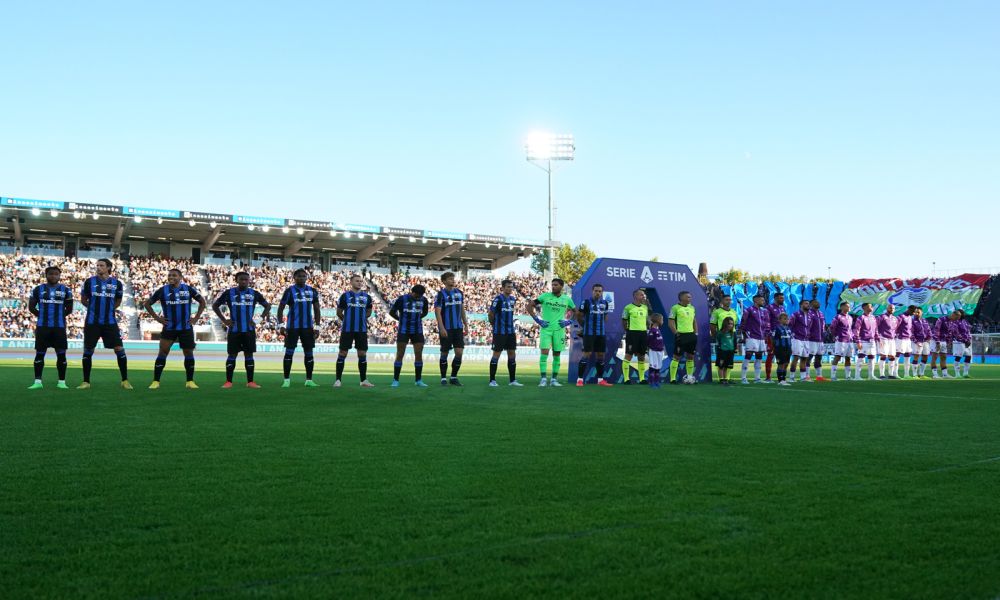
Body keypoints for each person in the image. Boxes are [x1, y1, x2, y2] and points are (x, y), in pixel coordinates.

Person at [145, 268, 207, 389]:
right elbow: (147, 304)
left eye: (174, 275)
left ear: (180, 277)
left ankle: (190, 381)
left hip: (185, 327)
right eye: (169, 275)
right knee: (163, 352)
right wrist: (158, 318)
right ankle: (156, 381)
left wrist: (196, 318)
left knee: (188, 352)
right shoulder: (163, 290)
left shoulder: (188, 289)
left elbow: (202, 302)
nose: (171, 277)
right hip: (169, 327)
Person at [78, 258, 131, 389]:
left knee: (119, 349)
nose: (98, 267)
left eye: (101, 265)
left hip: (110, 322)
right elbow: (83, 299)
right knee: (88, 350)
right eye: (97, 265)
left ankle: (125, 380)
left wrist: (111, 309)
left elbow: (118, 300)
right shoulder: (89, 282)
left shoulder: (116, 283)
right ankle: (86, 382)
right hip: (92, 322)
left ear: (108, 267)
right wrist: (92, 308)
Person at [212, 272, 271, 388]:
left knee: (249, 355)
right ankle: (228, 382)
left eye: (246, 279)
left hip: (249, 330)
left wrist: (259, 320)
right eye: (241, 279)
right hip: (234, 330)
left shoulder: (254, 293)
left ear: (249, 281)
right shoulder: (229, 293)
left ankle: (250, 382)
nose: (244, 281)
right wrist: (224, 320)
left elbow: (267, 306)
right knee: (232, 355)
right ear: (236, 280)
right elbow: (215, 305)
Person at [27, 266, 73, 389]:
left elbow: (69, 309)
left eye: (56, 274)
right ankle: (37, 382)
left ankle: (62, 382)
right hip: (43, 327)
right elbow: (31, 307)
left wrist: (59, 316)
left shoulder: (66, 290)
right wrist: (42, 315)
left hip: (59, 327)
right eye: (51, 274)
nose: (53, 276)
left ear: (59, 276)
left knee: (61, 355)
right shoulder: (38, 289)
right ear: (46, 275)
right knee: (40, 354)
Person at [276, 268, 322, 388]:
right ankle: (286, 380)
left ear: (307, 277)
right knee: (289, 353)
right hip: (292, 327)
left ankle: (309, 380)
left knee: (309, 353)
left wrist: (317, 327)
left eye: (304, 276)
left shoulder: (312, 291)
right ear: (294, 278)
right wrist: (281, 325)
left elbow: (317, 309)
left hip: (308, 328)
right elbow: (280, 308)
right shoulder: (289, 291)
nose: (302, 278)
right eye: (299, 276)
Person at [528, 278, 577, 387]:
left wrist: (568, 322)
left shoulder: (567, 299)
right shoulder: (545, 296)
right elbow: (529, 305)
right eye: (552, 285)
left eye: (555, 285)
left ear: (561, 286)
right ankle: (543, 379)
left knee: (557, 355)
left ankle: (554, 379)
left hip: (559, 331)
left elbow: (576, 312)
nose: (553, 287)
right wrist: (538, 320)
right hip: (546, 329)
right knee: (544, 354)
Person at [336, 274, 375, 388]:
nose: (359, 282)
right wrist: (347, 320)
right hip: (347, 329)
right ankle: (338, 380)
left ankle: (363, 380)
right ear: (351, 282)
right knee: (343, 353)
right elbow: (339, 312)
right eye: (357, 281)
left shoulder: (367, 297)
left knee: (362, 353)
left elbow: (369, 312)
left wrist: (361, 319)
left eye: (360, 281)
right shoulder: (345, 296)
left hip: (361, 330)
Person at [389, 284, 429, 387]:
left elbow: (425, 312)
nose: (418, 298)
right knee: (400, 354)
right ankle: (395, 380)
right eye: (417, 296)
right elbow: (392, 312)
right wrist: (400, 319)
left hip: (417, 330)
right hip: (404, 330)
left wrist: (418, 318)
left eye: (420, 296)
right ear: (412, 292)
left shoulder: (424, 300)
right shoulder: (402, 299)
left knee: (419, 354)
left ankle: (418, 380)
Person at [434, 272, 468, 386]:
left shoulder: (459, 293)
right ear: (444, 281)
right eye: (450, 279)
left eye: (453, 278)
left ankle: (453, 377)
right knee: (444, 352)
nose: (452, 280)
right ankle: (443, 378)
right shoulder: (441, 294)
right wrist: (442, 327)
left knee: (459, 353)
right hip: (447, 328)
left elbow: (462, 309)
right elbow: (437, 312)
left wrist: (466, 324)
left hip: (458, 328)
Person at [487, 280, 523, 387]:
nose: (510, 289)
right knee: (496, 354)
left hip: (510, 332)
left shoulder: (513, 299)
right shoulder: (498, 299)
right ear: (502, 288)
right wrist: (494, 325)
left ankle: (512, 380)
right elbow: (491, 313)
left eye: (511, 287)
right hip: (499, 332)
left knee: (512, 354)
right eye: (507, 287)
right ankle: (492, 380)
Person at [576, 283, 613, 386]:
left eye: (600, 291)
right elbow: (579, 316)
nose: (598, 293)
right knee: (587, 354)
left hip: (601, 333)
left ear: (602, 293)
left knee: (601, 355)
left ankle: (600, 380)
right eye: (596, 291)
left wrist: (601, 325)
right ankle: (579, 380)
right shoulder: (586, 302)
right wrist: (584, 327)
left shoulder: (605, 303)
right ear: (592, 291)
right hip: (589, 333)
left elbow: (605, 316)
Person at [619, 289, 650, 384]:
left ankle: (642, 379)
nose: (643, 297)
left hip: (643, 333)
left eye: (644, 295)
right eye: (641, 295)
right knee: (629, 355)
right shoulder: (628, 307)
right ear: (635, 296)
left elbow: (646, 321)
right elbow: (624, 320)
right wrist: (628, 331)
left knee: (642, 356)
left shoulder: (645, 307)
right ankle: (626, 379)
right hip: (632, 333)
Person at [667, 290, 698, 384]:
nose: (690, 298)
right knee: (676, 357)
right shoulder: (675, 308)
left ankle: (689, 377)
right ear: (682, 298)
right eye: (688, 297)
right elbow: (670, 322)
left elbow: (694, 321)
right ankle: (672, 379)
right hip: (681, 335)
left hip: (691, 335)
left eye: (690, 297)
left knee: (691, 356)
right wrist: (676, 333)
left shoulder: (692, 308)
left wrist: (696, 333)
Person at [739, 295, 770, 384]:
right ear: (756, 300)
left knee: (759, 356)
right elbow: (743, 322)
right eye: (762, 300)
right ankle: (743, 378)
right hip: (751, 336)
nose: (763, 301)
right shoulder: (748, 310)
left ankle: (757, 378)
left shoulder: (764, 311)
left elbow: (767, 324)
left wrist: (766, 335)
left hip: (761, 337)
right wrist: (745, 335)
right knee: (748, 355)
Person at [710, 294, 739, 382]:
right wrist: (716, 337)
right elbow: (712, 325)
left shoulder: (734, 312)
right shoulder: (716, 312)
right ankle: (721, 379)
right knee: (721, 360)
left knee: (730, 359)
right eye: (727, 300)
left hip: (732, 337)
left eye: (730, 300)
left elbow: (735, 324)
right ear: (722, 301)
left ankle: (727, 378)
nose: (729, 301)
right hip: (722, 338)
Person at [764, 292, 787, 382]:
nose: (782, 299)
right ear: (775, 298)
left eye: (783, 298)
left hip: (782, 335)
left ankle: (780, 377)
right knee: (771, 355)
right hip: (773, 335)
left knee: (782, 356)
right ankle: (768, 377)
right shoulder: (769, 308)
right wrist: (769, 333)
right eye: (780, 298)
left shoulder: (783, 308)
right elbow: (767, 320)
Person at [828, 302, 855, 381]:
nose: (849, 307)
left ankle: (848, 376)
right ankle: (833, 376)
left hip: (850, 340)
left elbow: (850, 329)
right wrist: (836, 335)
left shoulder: (850, 317)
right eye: (847, 306)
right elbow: (832, 327)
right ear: (842, 307)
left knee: (848, 358)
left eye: (849, 306)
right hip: (841, 340)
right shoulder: (838, 317)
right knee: (837, 357)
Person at [788, 300, 813, 382]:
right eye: (806, 303)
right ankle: (791, 377)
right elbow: (790, 325)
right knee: (795, 357)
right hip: (797, 339)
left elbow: (810, 327)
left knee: (804, 358)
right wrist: (792, 334)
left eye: (808, 304)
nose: (808, 305)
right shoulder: (795, 314)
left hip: (806, 339)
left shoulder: (810, 316)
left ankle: (803, 377)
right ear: (801, 305)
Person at [853, 303, 879, 380]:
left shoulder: (873, 317)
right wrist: (858, 341)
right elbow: (856, 330)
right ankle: (857, 376)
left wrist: (877, 339)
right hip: (863, 340)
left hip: (872, 341)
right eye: (870, 306)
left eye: (871, 306)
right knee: (861, 357)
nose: (872, 307)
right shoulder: (861, 318)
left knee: (872, 357)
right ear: (864, 308)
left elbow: (876, 329)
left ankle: (871, 375)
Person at [876, 304, 899, 379]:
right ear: (887, 308)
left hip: (892, 339)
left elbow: (895, 329)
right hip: (883, 338)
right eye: (890, 308)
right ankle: (882, 374)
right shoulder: (881, 317)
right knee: (883, 355)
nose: (892, 309)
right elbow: (876, 327)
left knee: (892, 356)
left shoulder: (895, 318)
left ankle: (890, 374)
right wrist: (878, 337)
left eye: (893, 308)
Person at [950, 309, 973, 378]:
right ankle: (957, 374)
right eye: (962, 313)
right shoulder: (955, 322)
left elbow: (968, 330)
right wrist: (965, 340)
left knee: (968, 356)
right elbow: (956, 333)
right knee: (958, 357)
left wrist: (968, 339)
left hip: (968, 341)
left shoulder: (965, 321)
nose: (963, 314)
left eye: (963, 313)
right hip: (959, 342)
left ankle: (965, 373)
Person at [772, 313, 793, 386]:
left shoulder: (788, 328)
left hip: (788, 349)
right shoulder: (777, 328)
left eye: (787, 319)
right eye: (785, 319)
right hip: (780, 349)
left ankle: (784, 379)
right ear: (779, 320)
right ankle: (780, 380)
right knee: (781, 364)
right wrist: (775, 348)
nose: (787, 320)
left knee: (786, 364)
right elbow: (773, 339)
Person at [910, 307, 932, 379]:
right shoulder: (912, 321)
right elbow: (911, 333)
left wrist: (929, 338)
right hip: (917, 342)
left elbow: (928, 330)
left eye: (918, 312)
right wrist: (916, 341)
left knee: (925, 356)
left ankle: (921, 374)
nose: (916, 314)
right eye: (915, 312)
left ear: (922, 312)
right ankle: (914, 375)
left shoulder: (925, 321)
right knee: (916, 356)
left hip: (925, 341)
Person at [808, 299, 827, 381]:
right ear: (811, 304)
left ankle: (819, 376)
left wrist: (824, 333)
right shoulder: (809, 313)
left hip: (820, 339)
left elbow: (823, 325)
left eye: (818, 302)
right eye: (816, 302)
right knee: (809, 357)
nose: (818, 303)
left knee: (819, 357)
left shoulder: (821, 313)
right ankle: (806, 376)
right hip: (811, 339)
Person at [715, 316, 737, 386]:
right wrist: (719, 350)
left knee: (727, 366)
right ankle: (721, 379)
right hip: (722, 352)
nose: (730, 325)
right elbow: (718, 342)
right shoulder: (720, 333)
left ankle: (725, 379)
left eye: (732, 324)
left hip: (730, 352)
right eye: (729, 323)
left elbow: (734, 342)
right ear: (725, 324)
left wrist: (734, 349)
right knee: (721, 365)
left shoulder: (733, 333)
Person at [895, 305, 915, 378]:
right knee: (897, 356)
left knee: (908, 356)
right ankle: (895, 373)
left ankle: (906, 374)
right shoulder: (901, 316)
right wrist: (897, 335)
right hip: (901, 339)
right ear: (909, 309)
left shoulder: (910, 317)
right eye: (913, 312)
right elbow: (895, 326)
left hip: (908, 339)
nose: (914, 314)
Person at [647, 313, 666, 388]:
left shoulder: (658, 330)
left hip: (660, 351)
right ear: (658, 321)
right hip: (654, 351)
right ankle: (652, 382)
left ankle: (657, 381)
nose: (662, 321)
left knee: (658, 367)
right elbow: (649, 341)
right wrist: (651, 348)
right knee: (653, 367)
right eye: (662, 320)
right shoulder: (652, 331)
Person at [929, 314, 951, 378]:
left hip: (944, 340)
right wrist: (937, 342)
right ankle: (935, 375)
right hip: (936, 340)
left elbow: (949, 332)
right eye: (957, 317)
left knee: (944, 357)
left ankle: (945, 374)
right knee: (934, 357)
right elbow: (936, 330)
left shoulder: (952, 322)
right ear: (953, 315)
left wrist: (948, 342)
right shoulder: (941, 319)